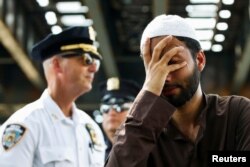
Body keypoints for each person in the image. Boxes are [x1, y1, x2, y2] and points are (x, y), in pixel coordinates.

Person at [104, 14, 250, 167]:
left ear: (199, 60)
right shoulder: (141, 131)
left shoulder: (236, 114)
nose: (164, 77)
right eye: (154, 68)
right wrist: (148, 93)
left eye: (173, 63)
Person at [0, 26, 106, 166]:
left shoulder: (90, 128)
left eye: (95, 63)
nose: (93, 68)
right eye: (86, 60)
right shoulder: (26, 125)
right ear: (57, 65)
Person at [99, 77, 140, 159]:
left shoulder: (147, 150)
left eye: (120, 106)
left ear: (135, 112)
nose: (111, 112)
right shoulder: (95, 152)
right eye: (106, 107)